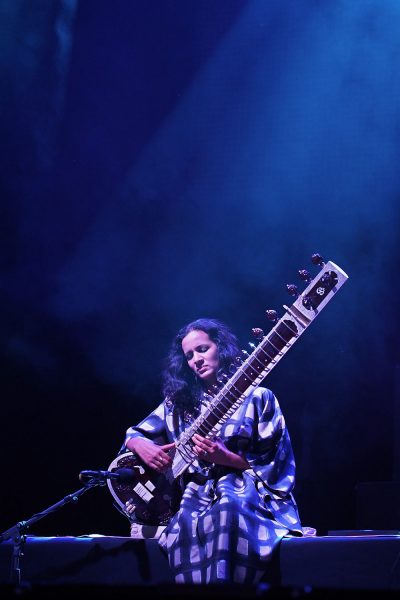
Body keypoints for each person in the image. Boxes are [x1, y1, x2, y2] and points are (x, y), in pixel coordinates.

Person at [121, 318, 303, 584]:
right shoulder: (178, 404)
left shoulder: (259, 397)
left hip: (245, 490)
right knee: (187, 522)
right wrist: (140, 444)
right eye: (189, 356)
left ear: (220, 348)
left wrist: (223, 458)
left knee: (227, 511)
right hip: (195, 494)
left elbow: (274, 464)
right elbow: (135, 433)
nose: (196, 359)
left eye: (202, 349)